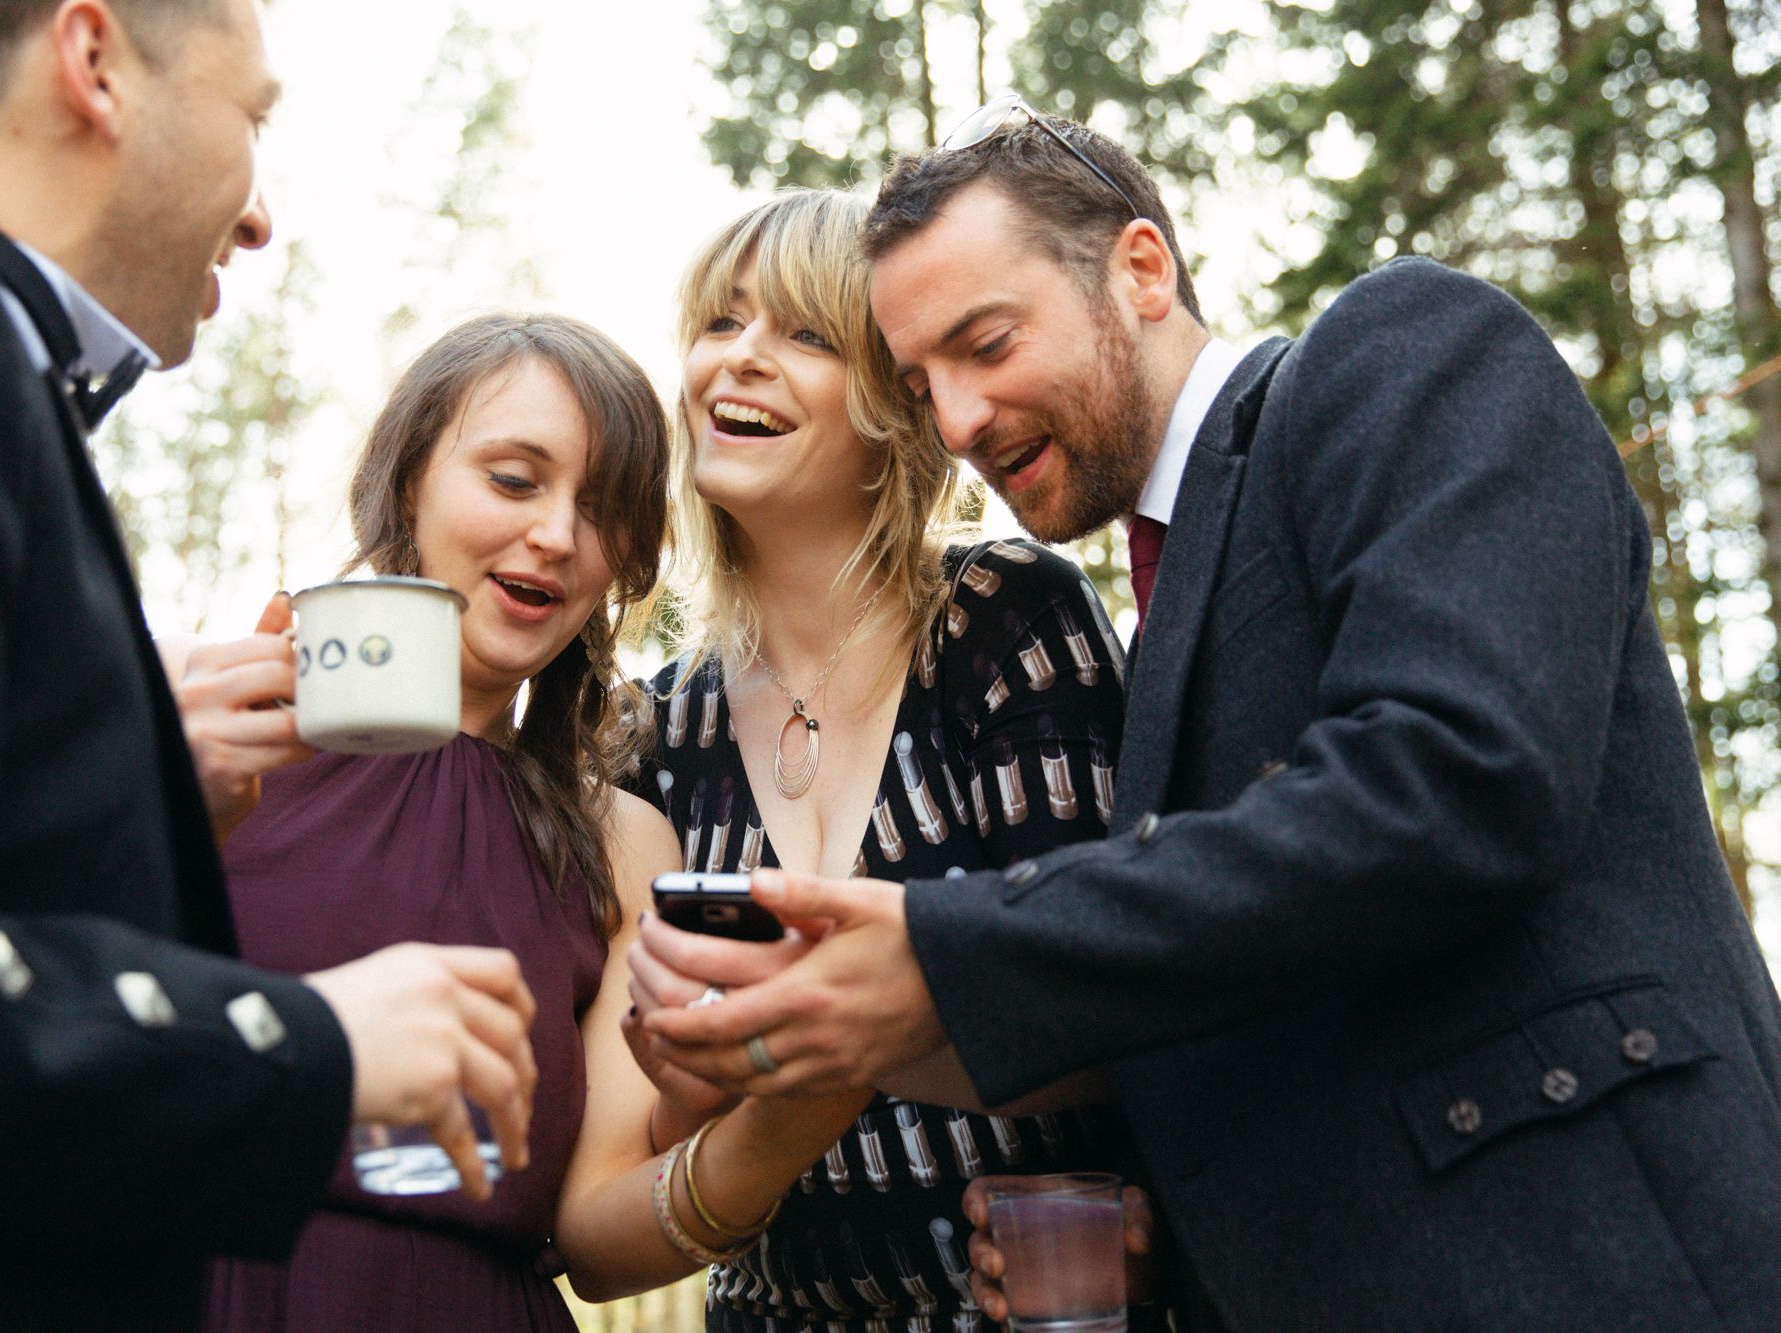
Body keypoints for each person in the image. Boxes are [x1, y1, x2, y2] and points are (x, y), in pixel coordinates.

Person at [639, 105, 1781, 1329]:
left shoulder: (1401, 348)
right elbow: (1238, 977)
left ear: (1139, 268)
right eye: (922, 385)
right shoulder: (1144, 614)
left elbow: (1453, 777)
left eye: (987, 343)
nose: (959, 421)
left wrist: (942, 948)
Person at [0, 3, 535, 1327]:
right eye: (254, 115)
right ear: (93, 63)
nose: (257, 217)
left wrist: (126, 793)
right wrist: (312, 1041)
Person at [174, 313, 877, 1331]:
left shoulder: (625, 845)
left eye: (600, 511)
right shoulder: (200, 730)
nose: (553, 534)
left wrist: (784, 1120)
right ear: (404, 479)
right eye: (512, 479)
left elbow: (595, 1238)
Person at [623, 190, 1137, 1332]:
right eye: (719, 323)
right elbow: (669, 1139)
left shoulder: (1002, 621)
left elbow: (1112, 1006)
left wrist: (810, 1032)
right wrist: (683, 1062)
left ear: (893, 404)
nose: (738, 361)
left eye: (803, 335)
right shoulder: (652, 732)